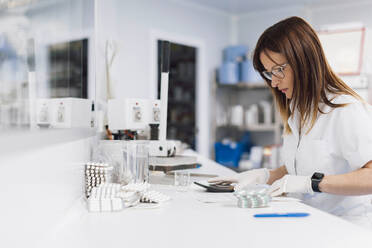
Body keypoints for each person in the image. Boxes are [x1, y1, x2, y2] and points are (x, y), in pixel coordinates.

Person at [209, 16, 372, 227]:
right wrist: (263, 176)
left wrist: (312, 183)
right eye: (269, 73)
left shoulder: (345, 108)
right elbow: (302, 166)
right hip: (309, 221)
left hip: (346, 227)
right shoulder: (297, 110)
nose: (274, 82)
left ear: (304, 61)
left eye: (278, 70)